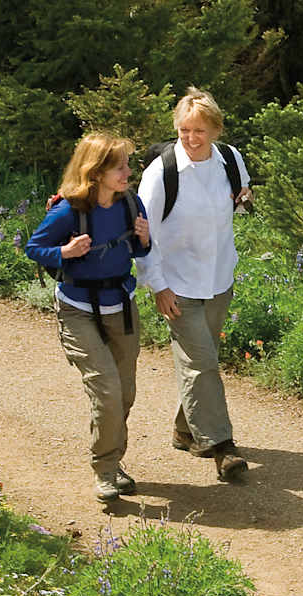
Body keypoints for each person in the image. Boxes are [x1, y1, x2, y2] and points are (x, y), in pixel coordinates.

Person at [26, 134, 152, 504]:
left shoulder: (130, 202)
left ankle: (113, 461)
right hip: (77, 308)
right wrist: (63, 251)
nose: (128, 172)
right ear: (95, 172)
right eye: (120, 167)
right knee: (107, 390)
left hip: (121, 306)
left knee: (124, 393)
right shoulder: (68, 209)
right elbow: (34, 249)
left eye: (127, 165)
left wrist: (145, 240)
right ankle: (106, 469)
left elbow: (137, 249)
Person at [135, 87, 251, 482]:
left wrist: (243, 197)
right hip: (178, 284)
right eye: (184, 130)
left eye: (199, 130)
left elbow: (235, 202)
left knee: (201, 361)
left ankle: (185, 430)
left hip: (219, 278)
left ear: (215, 130)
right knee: (202, 365)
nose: (190, 138)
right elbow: (142, 235)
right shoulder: (160, 174)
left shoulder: (231, 160)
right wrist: (157, 287)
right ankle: (222, 447)